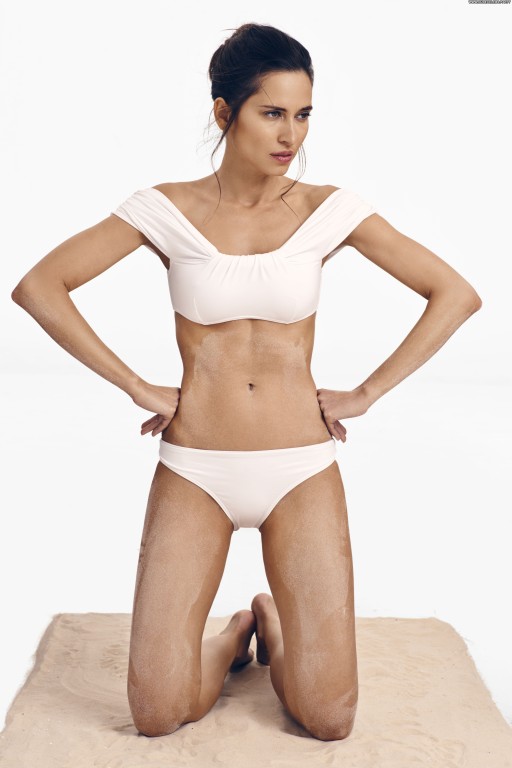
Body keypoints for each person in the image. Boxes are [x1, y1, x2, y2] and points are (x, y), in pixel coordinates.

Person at [11, 22, 482, 742]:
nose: (291, 134)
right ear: (224, 112)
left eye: (304, 114)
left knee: (329, 718)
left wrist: (366, 393)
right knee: (156, 713)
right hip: (195, 466)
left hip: (301, 467)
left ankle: (273, 624)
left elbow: (455, 294)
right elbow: (40, 286)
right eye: (272, 113)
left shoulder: (328, 209)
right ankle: (235, 635)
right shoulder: (167, 209)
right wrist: (135, 383)